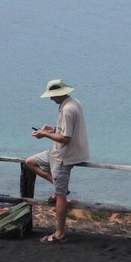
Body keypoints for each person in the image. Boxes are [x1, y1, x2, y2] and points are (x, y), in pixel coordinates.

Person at [25, 78, 90, 243]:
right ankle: (56, 185)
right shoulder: (73, 102)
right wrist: (52, 130)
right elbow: (65, 132)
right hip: (57, 152)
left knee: (60, 195)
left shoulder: (68, 109)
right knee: (29, 162)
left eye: (52, 95)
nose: (50, 98)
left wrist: (44, 134)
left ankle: (59, 233)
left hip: (63, 156)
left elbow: (66, 139)